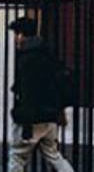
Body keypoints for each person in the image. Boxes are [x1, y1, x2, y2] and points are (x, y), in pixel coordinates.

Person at [8, 16, 74, 172]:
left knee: (17, 156)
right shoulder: (47, 54)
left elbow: (27, 92)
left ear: (21, 35)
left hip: (33, 118)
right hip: (50, 116)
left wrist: (25, 122)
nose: (15, 39)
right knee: (54, 155)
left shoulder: (26, 59)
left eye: (16, 34)